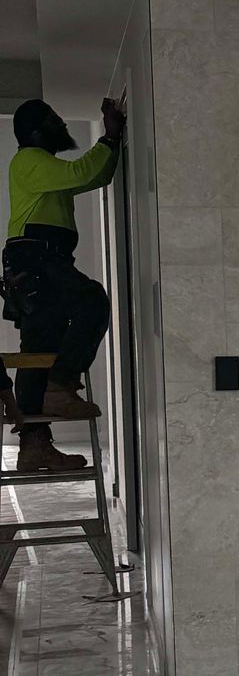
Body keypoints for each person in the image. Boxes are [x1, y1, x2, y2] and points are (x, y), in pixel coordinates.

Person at [3, 96, 126, 475]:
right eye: (56, 121)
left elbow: (96, 176)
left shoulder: (46, 171)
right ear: (39, 131)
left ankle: (34, 446)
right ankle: (63, 381)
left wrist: (112, 143)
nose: (63, 126)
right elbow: (80, 173)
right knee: (92, 301)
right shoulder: (30, 161)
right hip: (36, 257)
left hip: (36, 261)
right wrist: (108, 137)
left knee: (39, 347)